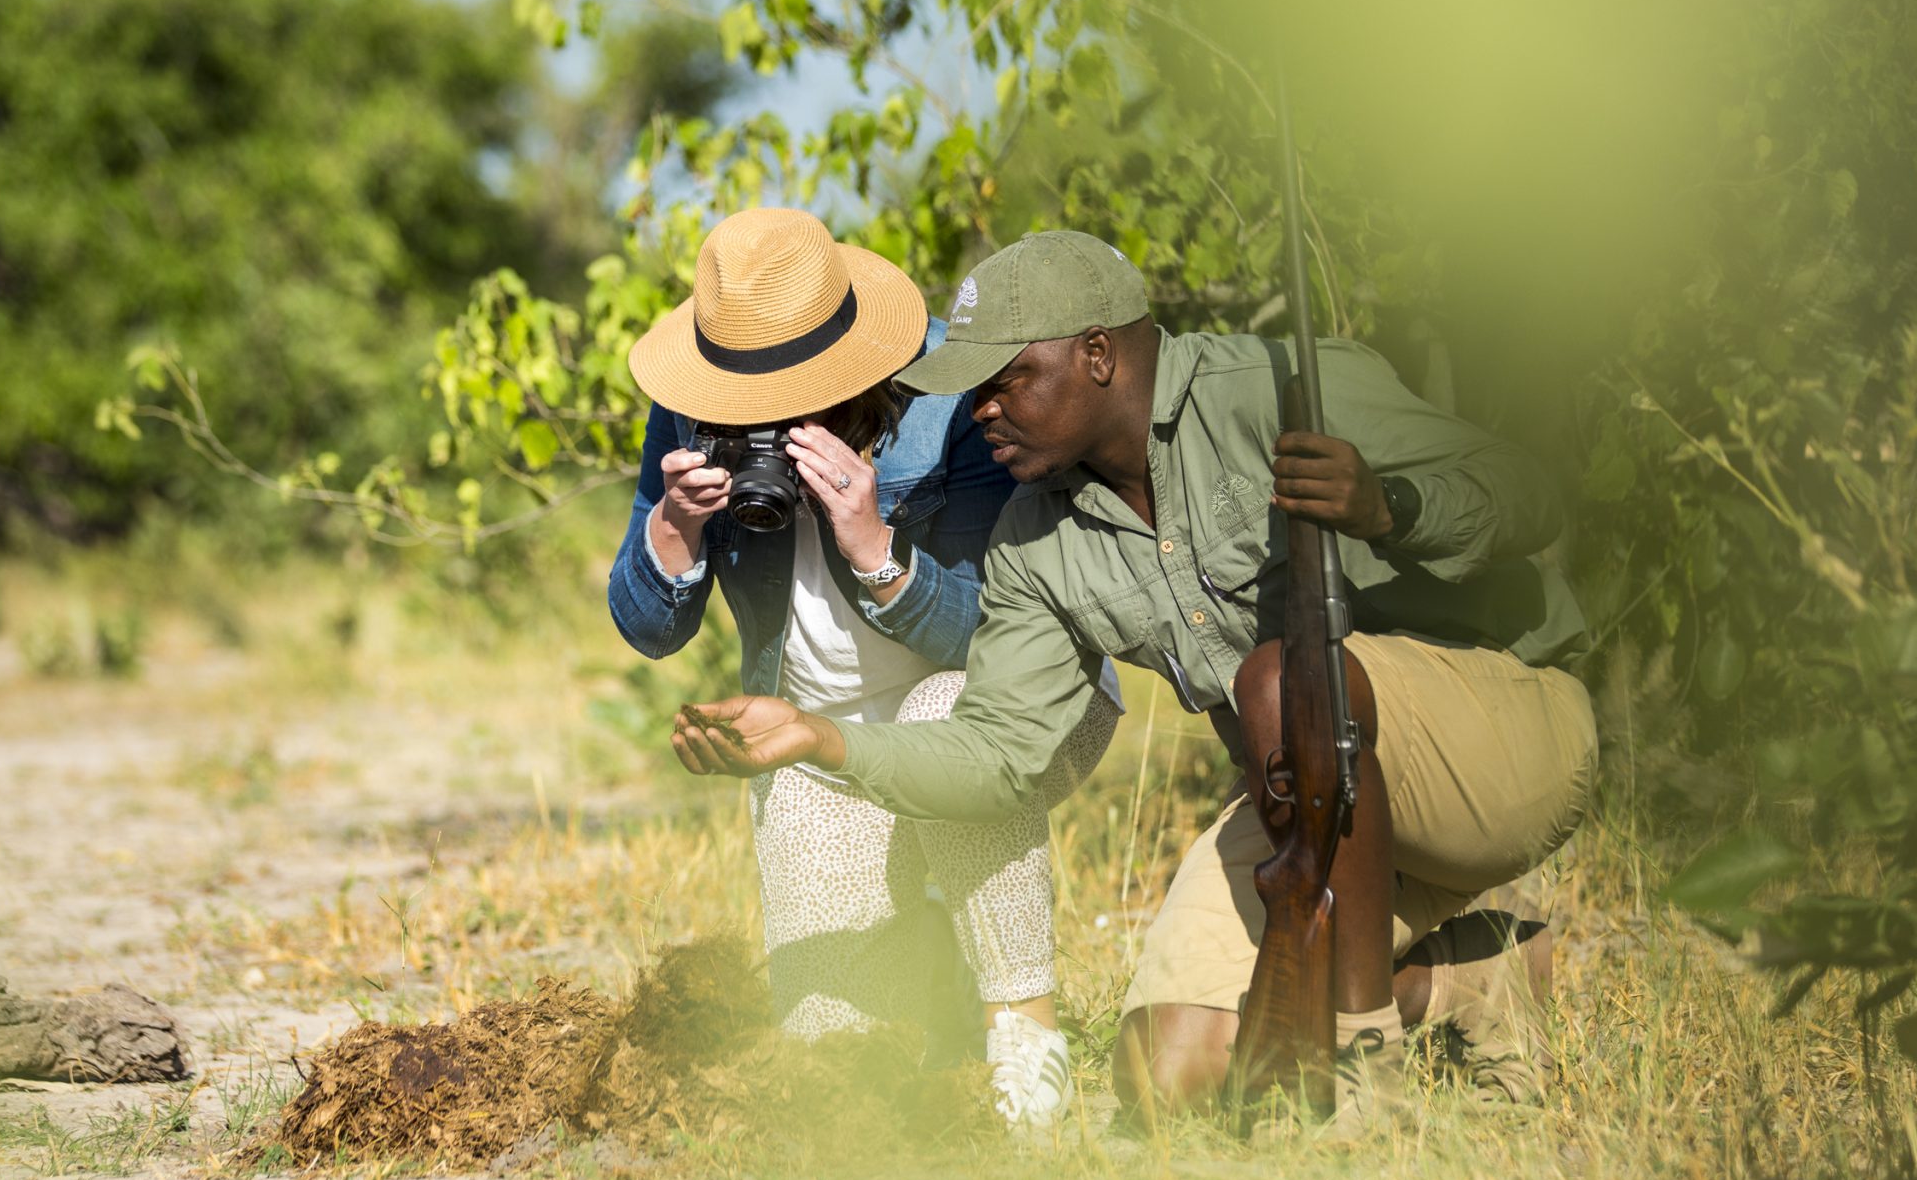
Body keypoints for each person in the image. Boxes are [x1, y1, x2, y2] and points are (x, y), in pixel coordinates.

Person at [671, 230, 1596, 1130]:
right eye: (971, 392)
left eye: (1003, 384)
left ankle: (1365, 1062)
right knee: (1166, 1068)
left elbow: (1528, 491)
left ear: (1099, 354)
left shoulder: (1277, 388)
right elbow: (997, 754)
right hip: (1318, 803)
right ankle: (1478, 981)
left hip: (1505, 740)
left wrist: (1392, 510)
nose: (979, 411)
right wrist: (818, 739)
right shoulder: (1034, 538)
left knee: (1280, 677)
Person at [608, 208, 1117, 1130]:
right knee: (834, 1066)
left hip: (1007, 711)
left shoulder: (950, 396)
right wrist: (676, 527)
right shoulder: (692, 404)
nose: (764, 420)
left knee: (936, 705)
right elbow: (644, 627)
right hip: (820, 733)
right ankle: (932, 968)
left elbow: (1012, 636)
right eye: (746, 403)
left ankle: (1025, 1036)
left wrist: (877, 546)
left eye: (794, 393)